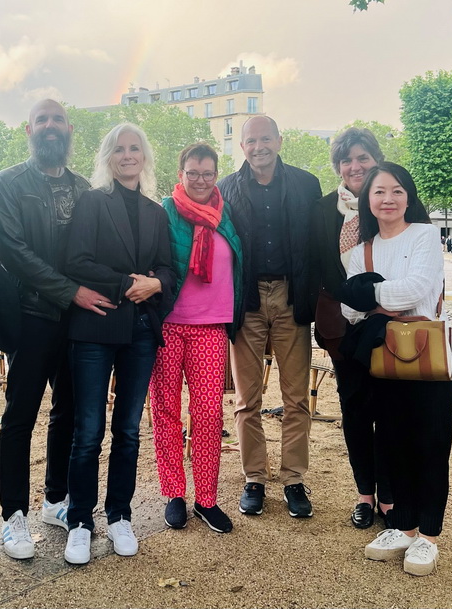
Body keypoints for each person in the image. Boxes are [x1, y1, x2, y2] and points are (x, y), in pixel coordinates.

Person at [0, 99, 105, 560]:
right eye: (42, 119)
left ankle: (55, 500)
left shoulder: (85, 189)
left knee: (69, 414)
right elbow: (13, 252)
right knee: (20, 415)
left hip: (78, 321)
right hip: (31, 314)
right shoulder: (8, 183)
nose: (50, 126)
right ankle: (12, 515)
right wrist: (70, 291)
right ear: (29, 129)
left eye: (58, 119)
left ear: (69, 129)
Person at [339, 162, 452, 577]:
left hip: (429, 359)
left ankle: (429, 535)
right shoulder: (362, 249)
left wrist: (368, 292)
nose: (387, 199)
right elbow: (347, 309)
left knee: (431, 446)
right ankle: (405, 527)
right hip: (385, 360)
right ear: (367, 200)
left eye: (396, 191)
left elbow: (417, 289)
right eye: (379, 192)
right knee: (393, 444)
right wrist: (373, 297)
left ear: (408, 197)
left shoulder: (424, 235)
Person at [62, 123, 175, 565]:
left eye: (135, 149)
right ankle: (79, 521)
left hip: (140, 332)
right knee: (88, 432)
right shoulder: (92, 203)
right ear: (108, 157)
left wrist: (155, 283)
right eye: (119, 149)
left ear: (144, 157)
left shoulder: (155, 211)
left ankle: (119, 516)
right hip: (95, 327)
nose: (128, 155)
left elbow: (168, 268)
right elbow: (75, 261)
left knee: (127, 430)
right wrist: (128, 283)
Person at [217, 115, 321, 519]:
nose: (258, 147)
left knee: (296, 397)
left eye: (265, 139)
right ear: (241, 146)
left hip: (292, 297)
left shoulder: (306, 184)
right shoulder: (225, 188)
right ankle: (254, 478)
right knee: (247, 399)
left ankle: (294, 479)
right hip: (247, 299)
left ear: (279, 140)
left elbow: (317, 243)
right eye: (251, 141)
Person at [149, 142, 242, 534]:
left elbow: (240, 261)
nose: (200, 180)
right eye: (193, 173)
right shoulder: (164, 212)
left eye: (207, 173)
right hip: (169, 325)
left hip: (211, 327)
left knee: (208, 414)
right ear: (181, 174)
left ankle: (206, 498)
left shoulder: (226, 214)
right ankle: (174, 493)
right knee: (165, 410)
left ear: (216, 175)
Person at [313, 127, 392, 530]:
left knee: (390, 410)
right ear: (338, 166)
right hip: (341, 325)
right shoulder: (323, 208)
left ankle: (390, 497)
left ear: (376, 160)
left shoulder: (391, 200)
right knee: (354, 409)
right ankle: (365, 494)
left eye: (363, 158)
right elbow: (315, 264)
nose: (355, 166)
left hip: (388, 319)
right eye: (347, 160)